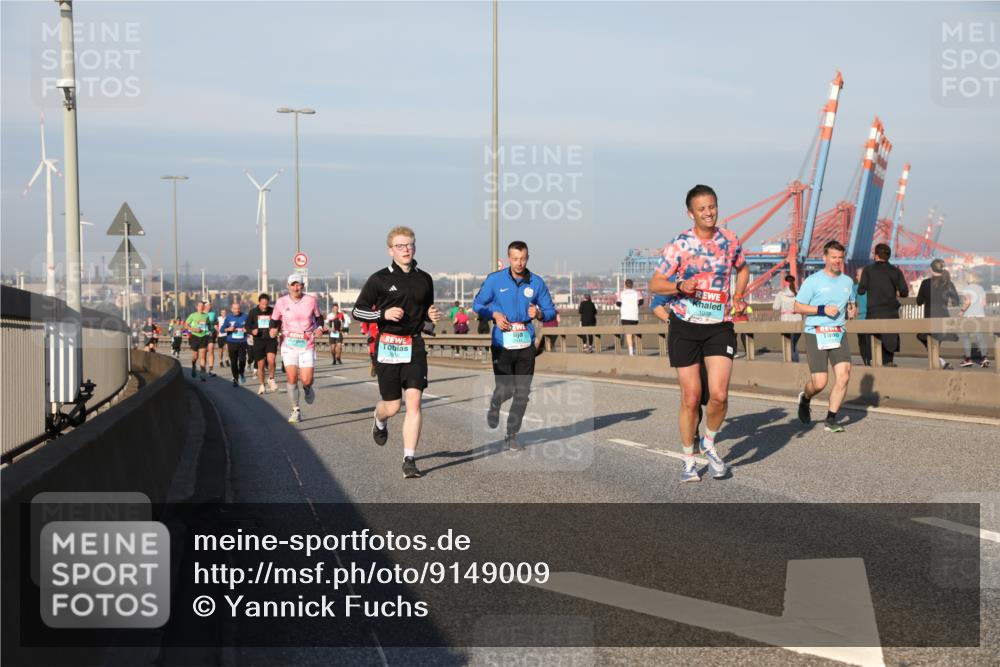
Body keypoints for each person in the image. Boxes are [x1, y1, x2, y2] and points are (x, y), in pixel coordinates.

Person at [649, 184, 748, 482]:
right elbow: (655, 284)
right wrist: (679, 286)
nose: (708, 212)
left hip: (719, 325)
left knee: (718, 395)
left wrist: (739, 295)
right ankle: (689, 460)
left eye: (712, 206)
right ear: (690, 212)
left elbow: (742, 270)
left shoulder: (730, 240)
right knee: (691, 398)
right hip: (685, 326)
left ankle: (709, 443)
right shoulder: (680, 244)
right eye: (702, 208)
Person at [352, 226, 442, 478]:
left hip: (414, 345)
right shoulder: (379, 279)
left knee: (414, 402)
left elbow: (426, 314)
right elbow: (357, 311)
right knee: (392, 406)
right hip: (388, 345)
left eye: (410, 245)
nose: (406, 250)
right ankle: (379, 419)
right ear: (390, 249)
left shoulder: (424, 278)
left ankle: (409, 459)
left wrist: (431, 316)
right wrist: (383, 314)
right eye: (400, 246)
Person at [473, 241, 557, 451]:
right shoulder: (495, 280)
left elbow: (551, 311)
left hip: (525, 342)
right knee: (507, 389)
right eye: (515, 259)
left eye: (523, 258)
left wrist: (539, 314)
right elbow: (477, 305)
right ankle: (495, 403)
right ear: (509, 258)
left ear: (528, 258)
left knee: (522, 391)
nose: (519, 263)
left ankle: (511, 435)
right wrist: (494, 314)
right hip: (502, 342)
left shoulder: (536, 282)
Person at [794, 241, 857, 433]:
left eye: (840, 258)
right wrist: (821, 309)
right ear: (825, 258)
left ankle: (831, 419)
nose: (837, 261)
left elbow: (851, 302)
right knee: (820, 383)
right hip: (816, 333)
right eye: (833, 257)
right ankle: (805, 398)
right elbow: (798, 307)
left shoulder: (847, 281)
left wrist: (852, 309)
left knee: (844, 375)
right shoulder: (812, 281)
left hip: (838, 332)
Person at [271, 275, 325, 422]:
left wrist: (319, 327)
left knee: (307, 380)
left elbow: (319, 318)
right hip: (289, 344)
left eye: (298, 285)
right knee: (292, 377)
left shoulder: (311, 300)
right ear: (288, 286)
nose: (296, 288)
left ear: (302, 286)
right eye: (293, 285)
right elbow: (274, 320)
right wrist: (273, 329)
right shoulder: (281, 302)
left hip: (307, 343)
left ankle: (307, 388)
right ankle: (295, 410)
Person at [857, 243, 908, 366]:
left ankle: (873, 366)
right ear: (888, 256)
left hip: (873, 313)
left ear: (876, 256)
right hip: (891, 313)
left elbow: (861, 290)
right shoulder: (896, 271)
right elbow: (904, 292)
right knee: (889, 346)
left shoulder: (868, 270)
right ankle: (888, 364)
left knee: (873, 345)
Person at [916, 259, 960, 369]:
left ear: (931, 269)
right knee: (936, 342)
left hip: (930, 316)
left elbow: (919, 301)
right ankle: (941, 362)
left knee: (922, 337)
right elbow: (956, 301)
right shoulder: (948, 283)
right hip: (943, 316)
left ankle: (939, 363)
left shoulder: (925, 283)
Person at [247, 293, 279, 395]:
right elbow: (247, 326)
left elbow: (279, 322)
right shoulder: (253, 312)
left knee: (271, 360)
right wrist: (252, 331)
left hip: (270, 339)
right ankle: (262, 385)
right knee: (260, 365)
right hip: (259, 340)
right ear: (259, 303)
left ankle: (271, 379)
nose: (265, 306)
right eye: (262, 304)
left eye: (266, 304)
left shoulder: (273, 311)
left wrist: (276, 330)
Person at [959, 272, 990, 368]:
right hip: (980, 315)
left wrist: (962, 311)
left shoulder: (966, 289)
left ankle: (968, 359)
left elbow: (968, 301)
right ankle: (984, 358)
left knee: (966, 337)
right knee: (979, 337)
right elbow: (984, 303)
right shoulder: (981, 288)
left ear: (968, 279)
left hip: (969, 316)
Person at [771, 274, 802, 362]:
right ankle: (796, 360)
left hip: (786, 320)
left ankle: (790, 362)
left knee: (788, 344)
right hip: (797, 320)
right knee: (794, 344)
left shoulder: (780, 294)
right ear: (793, 282)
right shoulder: (798, 293)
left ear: (785, 282)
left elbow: (775, 307)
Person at [220, 302, 249, 386]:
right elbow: (222, 330)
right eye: (235, 309)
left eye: (238, 308)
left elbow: (250, 326)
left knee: (242, 360)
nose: (237, 310)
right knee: (233, 361)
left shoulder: (245, 316)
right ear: (232, 309)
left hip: (242, 341)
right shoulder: (228, 318)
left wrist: (246, 329)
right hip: (232, 342)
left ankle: (241, 373)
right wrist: (228, 329)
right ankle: (235, 379)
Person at [185, 301, 211, 382]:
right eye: (200, 306)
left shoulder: (206, 316)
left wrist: (209, 331)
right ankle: (193, 366)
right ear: (197, 307)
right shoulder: (192, 315)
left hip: (203, 337)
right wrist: (194, 329)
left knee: (202, 356)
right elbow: (185, 325)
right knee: (195, 356)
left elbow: (208, 325)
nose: (201, 307)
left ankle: (202, 374)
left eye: (203, 306)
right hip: (195, 336)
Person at [617, 279, 643, 356]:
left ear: (625, 285)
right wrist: (635, 304)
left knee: (628, 334)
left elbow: (618, 303)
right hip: (634, 315)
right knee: (634, 333)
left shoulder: (621, 293)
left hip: (625, 315)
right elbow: (641, 302)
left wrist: (625, 305)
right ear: (632, 285)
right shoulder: (637, 293)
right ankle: (633, 348)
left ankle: (631, 351)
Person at [852, 268, 871, 366]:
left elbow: (851, 304)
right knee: (867, 342)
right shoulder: (855, 288)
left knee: (864, 342)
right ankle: (868, 361)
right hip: (866, 319)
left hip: (866, 319)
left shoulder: (856, 288)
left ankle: (868, 362)